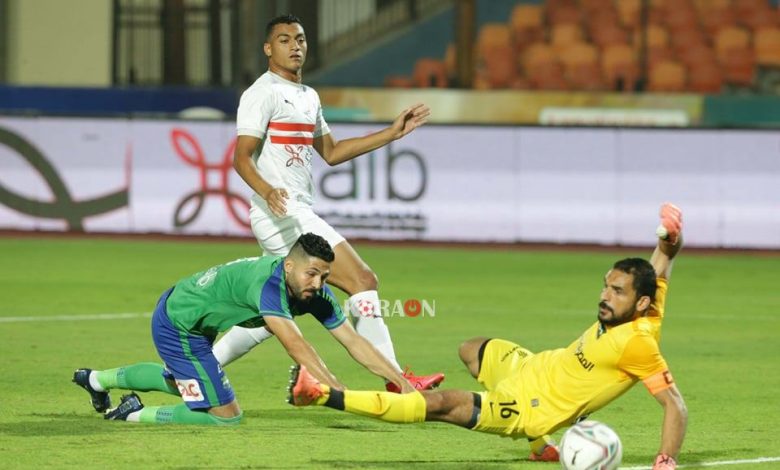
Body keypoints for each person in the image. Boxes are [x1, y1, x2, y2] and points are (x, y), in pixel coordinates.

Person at [288, 203, 688, 469]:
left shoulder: (639, 343)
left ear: (639, 304)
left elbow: (674, 405)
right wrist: (667, 238)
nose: (605, 296)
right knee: (471, 350)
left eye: (616, 292)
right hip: (534, 364)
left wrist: (665, 460)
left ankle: (322, 395)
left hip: (528, 405)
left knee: (438, 404)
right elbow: (662, 264)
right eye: (606, 285)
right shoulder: (647, 303)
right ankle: (542, 446)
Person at [216, 13, 443, 393]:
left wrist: (391, 133)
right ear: (268, 49)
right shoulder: (262, 92)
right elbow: (241, 156)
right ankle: (398, 380)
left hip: (293, 210)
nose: (295, 47)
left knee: (278, 304)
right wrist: (268, 190)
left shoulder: (308, 96)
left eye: (300, 40)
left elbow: (333, 153)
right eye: (285, 40)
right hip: (284, 213)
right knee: (363, 280)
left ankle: (198, 366)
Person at [72, 233, 415, 424]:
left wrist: (402, 382)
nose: (319, 281)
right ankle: (133, 414)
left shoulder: (312, 291)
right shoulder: (269, 287)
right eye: (311, 273)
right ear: (289, 265)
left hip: (192, 315)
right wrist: (341, 394)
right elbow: (297, 347)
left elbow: (353, 342)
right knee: (225, 416)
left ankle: (96, 380)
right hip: (179, 324)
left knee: (183, 385)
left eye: (324, 275)